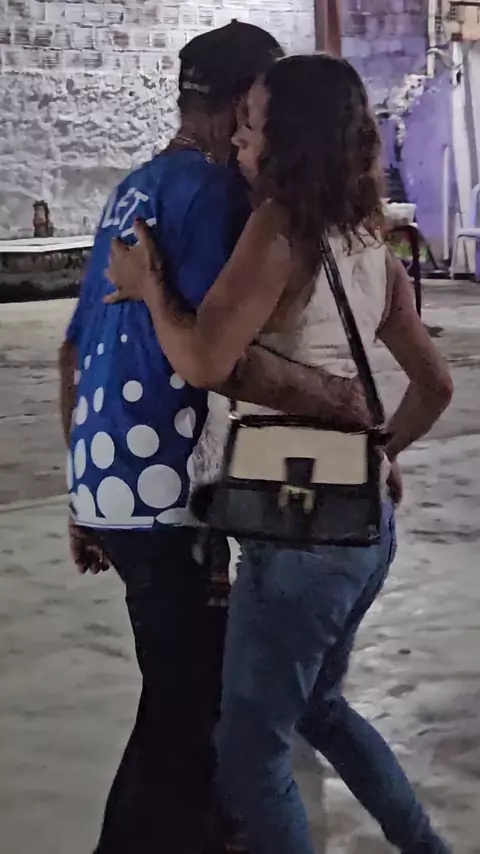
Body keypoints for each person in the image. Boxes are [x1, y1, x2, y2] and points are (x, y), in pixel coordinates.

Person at [106, 55, 453, 854]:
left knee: (249, 758)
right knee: (320, 709)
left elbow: (203, 359)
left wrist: (151, 287)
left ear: (290, 138)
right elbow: (434, 385)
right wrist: (376, 454)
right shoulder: (370, 240)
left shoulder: (278, 230)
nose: (238, 140)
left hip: (298, 534)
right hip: (364, 526)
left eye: (254, 125)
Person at [58, 28, 375, 854]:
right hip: (171, 491)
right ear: (244, 107)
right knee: (187, 710)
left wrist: (81, 495)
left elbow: (72, 349)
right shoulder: (224, 196)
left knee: (185, 695)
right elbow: (217, 359)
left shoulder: (131, 189)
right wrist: (341, 401)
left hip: (109, 477)